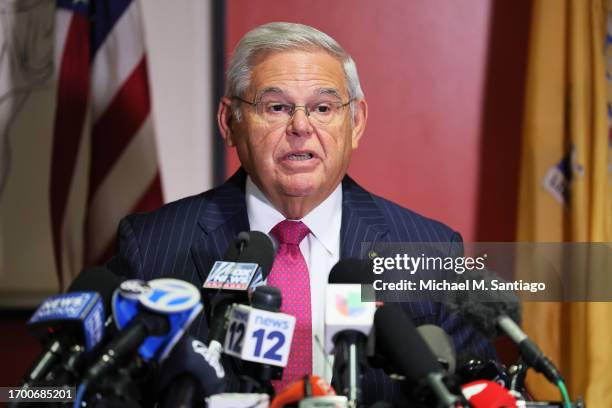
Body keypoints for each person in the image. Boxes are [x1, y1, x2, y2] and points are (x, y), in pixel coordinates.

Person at [107, 22, 495, 404]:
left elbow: (483, 393)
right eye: (275, 107)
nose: (300, 127)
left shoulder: (430, 251)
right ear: (229, 122)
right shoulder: (152, 247)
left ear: (355, 122)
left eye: (322, 108)